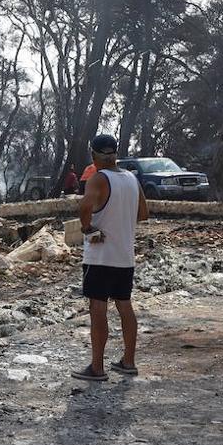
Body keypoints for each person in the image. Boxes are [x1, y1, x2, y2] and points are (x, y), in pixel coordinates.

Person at [72, 133, 148, 381]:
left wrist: (88, 228)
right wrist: (121, 223)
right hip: (125, 256)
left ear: (93, 155)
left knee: (98, 308)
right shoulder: (131, 178)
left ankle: (97, 367)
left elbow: (84, 206)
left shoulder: (98, 179)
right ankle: (128, 361)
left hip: (100, 257)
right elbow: (143, 213)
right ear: (115, 153)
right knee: (125, 306)